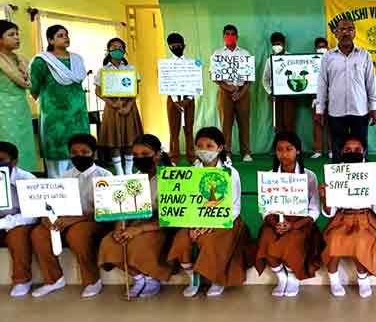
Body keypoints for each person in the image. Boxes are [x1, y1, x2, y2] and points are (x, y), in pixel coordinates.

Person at [167, 127, 251, 298]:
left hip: (225, 220)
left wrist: (211, 224)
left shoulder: (229, 173)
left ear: (220, 148)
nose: (203, 150)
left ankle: (217, 279)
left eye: (209, 146)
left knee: (212, 241)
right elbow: (185, 203)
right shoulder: (190, 173)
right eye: (200, 145)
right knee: (183, 239)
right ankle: (193, 278)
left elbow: (234, 207)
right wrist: (193, 225)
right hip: (194, 220)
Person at [29, 133, 112, 299]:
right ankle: (53, 279)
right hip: (66, 219)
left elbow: (106, 211)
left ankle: (92, 281)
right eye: (74, 152)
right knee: (39, 233)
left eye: (84, 152)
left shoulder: (105, 176)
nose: (79, 155)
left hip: (93, 220)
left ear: (94, 154)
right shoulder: (65, 176)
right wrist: (49, 216)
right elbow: (55, 202)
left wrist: (74, 220)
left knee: (78, 235)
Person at [318, 135, 376, 298]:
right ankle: (334, 279)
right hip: (341, 218)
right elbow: (329, 212)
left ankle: (363, 278)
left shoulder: (370, 173)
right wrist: (325, 197)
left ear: (364, 151)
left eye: (357, 149)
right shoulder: (335, 173)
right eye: (347, 149)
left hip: (365, 219)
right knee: (333, 240)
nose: (352, 152)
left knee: (361, 240)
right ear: (341, 152)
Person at [98, 134, 174, 297]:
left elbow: (174, 216)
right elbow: (124, 208)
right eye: (136, 155)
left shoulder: (171, 176)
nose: (140, 158)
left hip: (162, 224)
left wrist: (140, 229)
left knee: (138, 244)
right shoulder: (134, 178)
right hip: (137, 222)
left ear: (158, 154)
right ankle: (140, 278)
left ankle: (152, 278)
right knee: (110, 243)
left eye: (145, 154)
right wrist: (119, 228)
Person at [254, 131, 323, 297]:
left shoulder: (309, 176)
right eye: (279, 150)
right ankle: (281, 277)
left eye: (288, 149)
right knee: (266, 239)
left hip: (300, 222)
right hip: (275, 221)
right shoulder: (269, 177)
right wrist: (273, 223)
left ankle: (292, 277)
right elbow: (265, 207)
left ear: (297, 151)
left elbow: (314, 209)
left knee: (293, 241)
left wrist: (293, 225)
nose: (283, 154)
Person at [29, 24, 90, 178]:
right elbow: (34, 87)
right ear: (50, 40)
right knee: (58, 157)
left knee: (79, 152)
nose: (65, 38)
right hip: (55, 116)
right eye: (60, 35)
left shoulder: (77, 59)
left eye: (66, 35)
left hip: (77, 114)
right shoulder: (42, 61)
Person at [315, 19, 376, 162]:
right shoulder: (328, 57)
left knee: (361, 148)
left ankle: (364, 180)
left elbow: (371, 83)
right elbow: (322, 84)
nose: (346, 32)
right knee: (338, 148)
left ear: (355, 33)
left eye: (350, 29)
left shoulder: (364, 55)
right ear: (336, 33)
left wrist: (373, 107)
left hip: (360, 110)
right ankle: (338, 181)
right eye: (342, 29)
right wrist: (320, 109)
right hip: (336, 112)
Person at [95, 38, 144, 175]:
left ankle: (128, 170)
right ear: (108, 50)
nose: (117, 50)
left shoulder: (131, 69)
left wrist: (128, 106)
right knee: (113, 140)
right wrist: (112, 104)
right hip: (112, 109)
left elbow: (136, 90)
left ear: (124, 50)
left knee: (130, 140)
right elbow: (98, 91)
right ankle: (119, 171)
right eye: (114, 47)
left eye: (120, 47)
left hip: (129, 107)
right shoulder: (103, 70)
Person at [0, 141, 38, 298]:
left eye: (1, 160)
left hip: (18, 221)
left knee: (18, 236)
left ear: (14, 161)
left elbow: (33, 214)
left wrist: (5, 222)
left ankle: (22, 280)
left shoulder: (27, 179)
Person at [0, 21, 37, 171]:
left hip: (22, 110)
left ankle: (24, 186)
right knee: (6, 147)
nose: (17, 37)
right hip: (3, 112)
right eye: (11, 34)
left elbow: (30, 84)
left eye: (17, 34)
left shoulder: (22, 60)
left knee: (24, 147)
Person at [213, 25, 253, 162]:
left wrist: (241, 93)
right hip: (225, 92)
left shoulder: (245, 54)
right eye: (227, 34)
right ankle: (226, 153)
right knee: (226, 124)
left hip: (243, 92)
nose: (230, 36)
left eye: (232, 34)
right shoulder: (217, 54)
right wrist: (229, 88)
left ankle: (246, 153)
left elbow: (250, 78)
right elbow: (215, 77)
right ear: (224, 36)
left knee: (244, 123)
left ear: (237, 37)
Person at [164, 32, 197, 165]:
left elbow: (195, 82)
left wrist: (188, 99)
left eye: (179, 45)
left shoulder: (192, 63)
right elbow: (165, 83)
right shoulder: (166, 64)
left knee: (189, 128)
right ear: (169, 47)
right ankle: (174, 157)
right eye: (173, 45)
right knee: (173, 129)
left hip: (189, 99)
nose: (176, 47)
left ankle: (191, 156)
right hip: (173, 100)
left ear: (184, 46)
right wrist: (175, 101)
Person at [262, 31, 298, 133]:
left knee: (289, 122)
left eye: (279, 44)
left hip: (289, 95)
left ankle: (291, 145)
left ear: (284, 44)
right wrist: (270, 92)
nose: (276, 46)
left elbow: (296, 75)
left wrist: (295, 90)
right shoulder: (270, 60)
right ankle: (279, 145)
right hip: (276, 96)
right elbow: (265, 79)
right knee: (277, 123)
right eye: (274, 44)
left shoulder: (292, 58)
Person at [310, 36, 332, 159]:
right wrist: (314, 97)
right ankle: (317, 150)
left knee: (331, 124)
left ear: (327, 47)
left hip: (333, 98)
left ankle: (331, 150)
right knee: (317, 122)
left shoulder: (333, 59)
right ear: (315, 48)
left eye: (323, 47)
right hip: (316, 97)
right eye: (319, 47)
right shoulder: (311, 62)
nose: (321, 49)